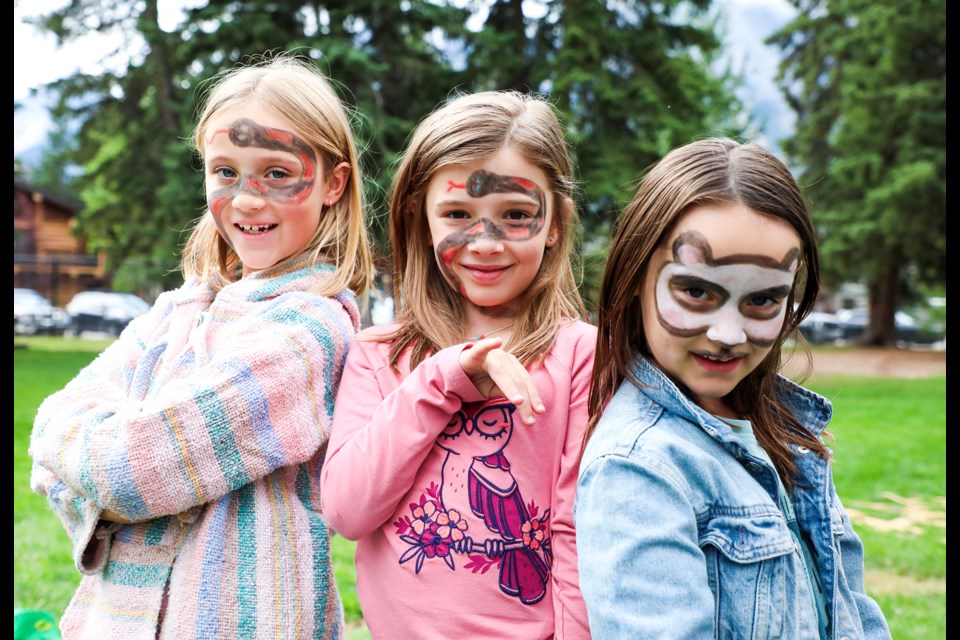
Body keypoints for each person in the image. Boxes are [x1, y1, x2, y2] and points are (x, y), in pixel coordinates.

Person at [28, 53, 374, 640]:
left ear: (333, 184)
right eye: (225, 171)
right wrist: (91, 467)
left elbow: (130, 468)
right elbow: (45, 431)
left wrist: (94, 478)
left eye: (277, 173)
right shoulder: (176, 310)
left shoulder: (311, 331)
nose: (246, 198)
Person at [574, 137, 892, 639]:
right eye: (696, 291)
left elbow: (851, 612)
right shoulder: (639, 468)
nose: (728, 334)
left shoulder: (783, 432)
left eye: (763, 300)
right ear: (636, 274)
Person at [320, 90, 594, 639]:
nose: (484, 242)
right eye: (457, 214)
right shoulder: (381, 354)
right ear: (421, 219)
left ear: (557, 222)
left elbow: (578, 535)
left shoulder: (582, 354)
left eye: (515, 215)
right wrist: (445, 379)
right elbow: (347, 511)